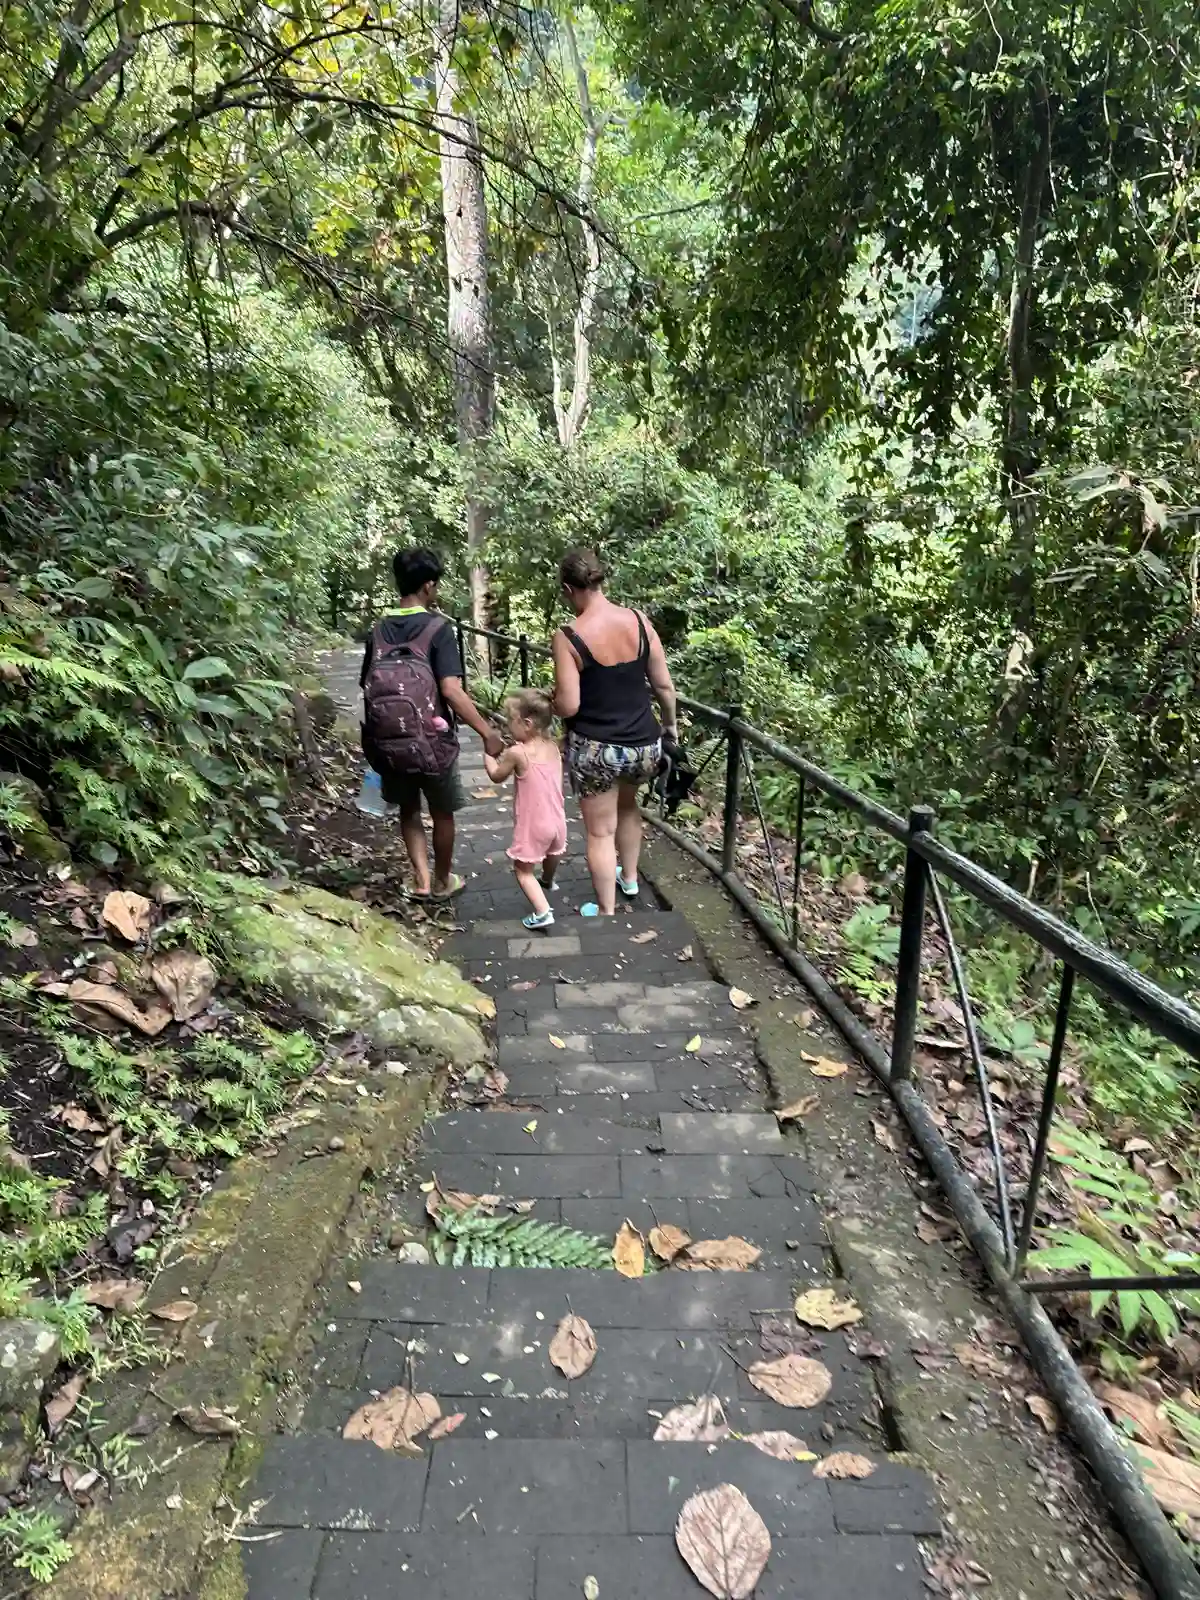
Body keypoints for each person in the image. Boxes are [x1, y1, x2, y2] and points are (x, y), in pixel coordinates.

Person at [361, 547, 503, 900]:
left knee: (408, 811)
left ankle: (420, 881)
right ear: (428, 586)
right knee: (442, 813)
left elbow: (367, 684)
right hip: (434, 744)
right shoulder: (438, 629)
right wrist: (487, 733)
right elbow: (451, 691)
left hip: (390, 744)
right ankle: (442, 882)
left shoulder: (377, 631)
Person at [551, 547, 678, 916]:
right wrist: (669, 729)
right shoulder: (639, 621)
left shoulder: (569, 636)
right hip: (644, 746)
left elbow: (570, 705)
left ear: (569, 589)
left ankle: (606, 910)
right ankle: (631, 879)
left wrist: (554, 702)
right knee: (628, 806)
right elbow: (664, 688)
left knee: (600, 831)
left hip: (597, 750)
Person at [483, 690, 568, 931]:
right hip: (558, 820)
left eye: (511, 721)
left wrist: (489, 756)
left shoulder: (517, 753)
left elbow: (497, 776)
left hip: (533, 825)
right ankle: (549, 881)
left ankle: (542, 912)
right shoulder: (553, 746)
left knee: (522, 871)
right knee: (554, 852)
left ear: (527, 723)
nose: (509, 727)